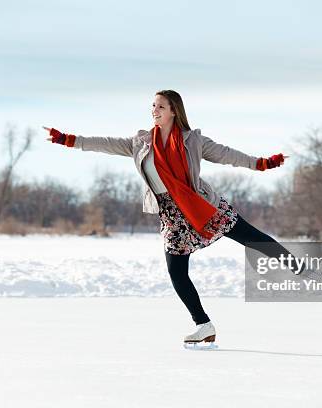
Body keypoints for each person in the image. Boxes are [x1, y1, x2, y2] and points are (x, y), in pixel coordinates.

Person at [43, 90, 303, 347]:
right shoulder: (140, 143)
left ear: (174, 111)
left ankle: (301, 268)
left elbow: (228, 155)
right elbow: (104, 143)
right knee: (176, 273)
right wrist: (67, 139)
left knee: (252, 238)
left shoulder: (193, 141)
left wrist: (263, 163)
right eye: (153, 106)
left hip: (200, 204)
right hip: (172, 215)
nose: (154, 110)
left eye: (160, 107)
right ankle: (203, 325)